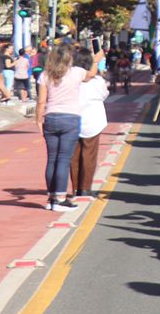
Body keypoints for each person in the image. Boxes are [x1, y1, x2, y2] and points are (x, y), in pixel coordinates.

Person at [36, 43, 86, 211]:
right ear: (68, 58)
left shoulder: (45, 75)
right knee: (64, 159)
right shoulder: (77, 73)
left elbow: (41, 101)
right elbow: (92, 73)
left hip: (50, 117)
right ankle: (61, 198)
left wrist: (38, 120)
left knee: (52, 158)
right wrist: (97, 56)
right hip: (71, 118)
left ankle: (51, 198)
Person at [72, 46, 109, 198]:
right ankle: (85, 188)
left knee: (73, 157)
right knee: (89, 156)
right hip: (92, 122)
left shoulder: (70, 79)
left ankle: (74, 188)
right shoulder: (97, 81)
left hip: (73, 120)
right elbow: (105, 94)